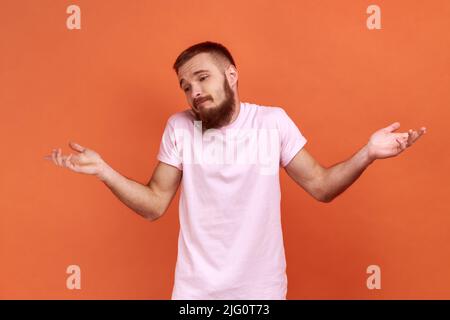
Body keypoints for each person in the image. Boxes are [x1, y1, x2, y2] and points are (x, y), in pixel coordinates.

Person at [45, 41, 427, 299]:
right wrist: (104, 171)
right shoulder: (180, 127)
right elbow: (154, 204)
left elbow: (321, 186)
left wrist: (368, 153)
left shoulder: (272, 123)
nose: (193, 91)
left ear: (231, 75)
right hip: (195, 292)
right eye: (185, 85)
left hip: (259, 292)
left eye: (202, 78)